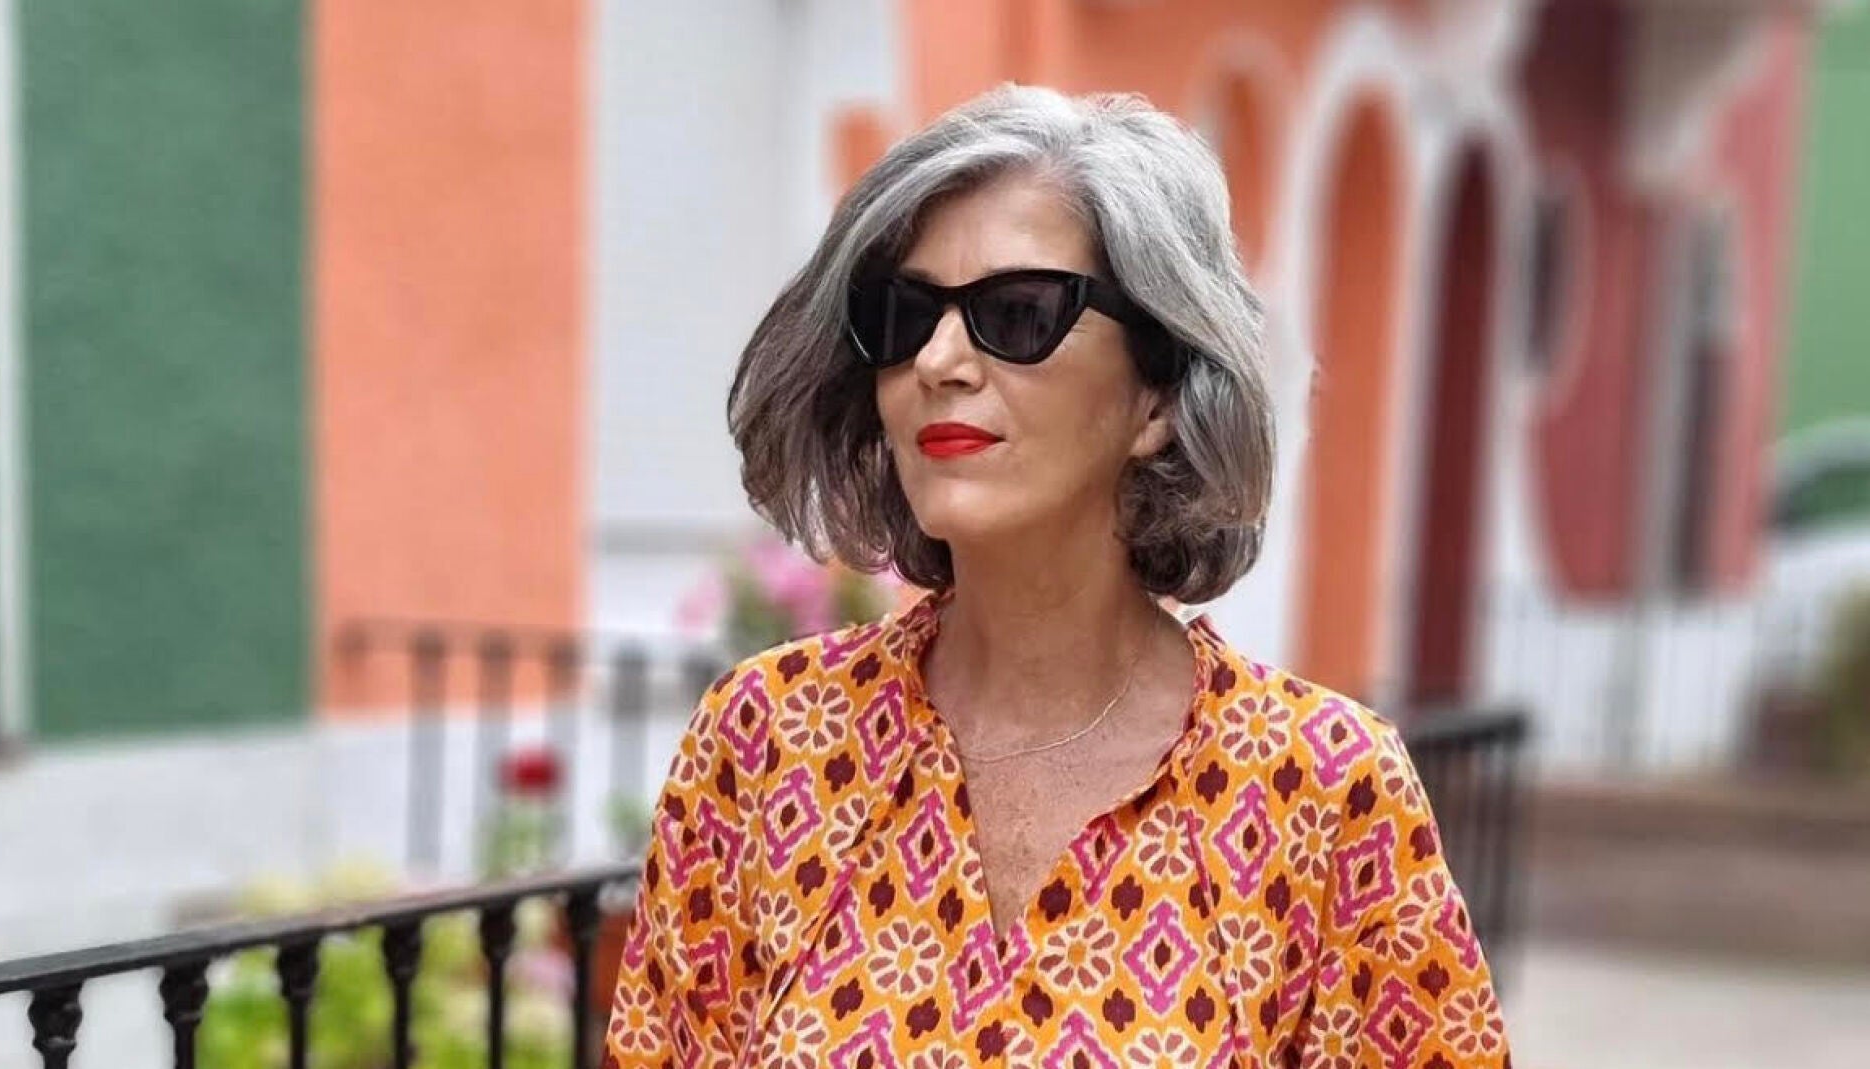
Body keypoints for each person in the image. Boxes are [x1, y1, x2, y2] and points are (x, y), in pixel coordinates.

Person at [604, 85, 1510, 1068]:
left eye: (1019, 312)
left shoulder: (1325, 789)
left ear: (1157, 396)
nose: (939, 360)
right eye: (905, 315)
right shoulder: (768, 741)